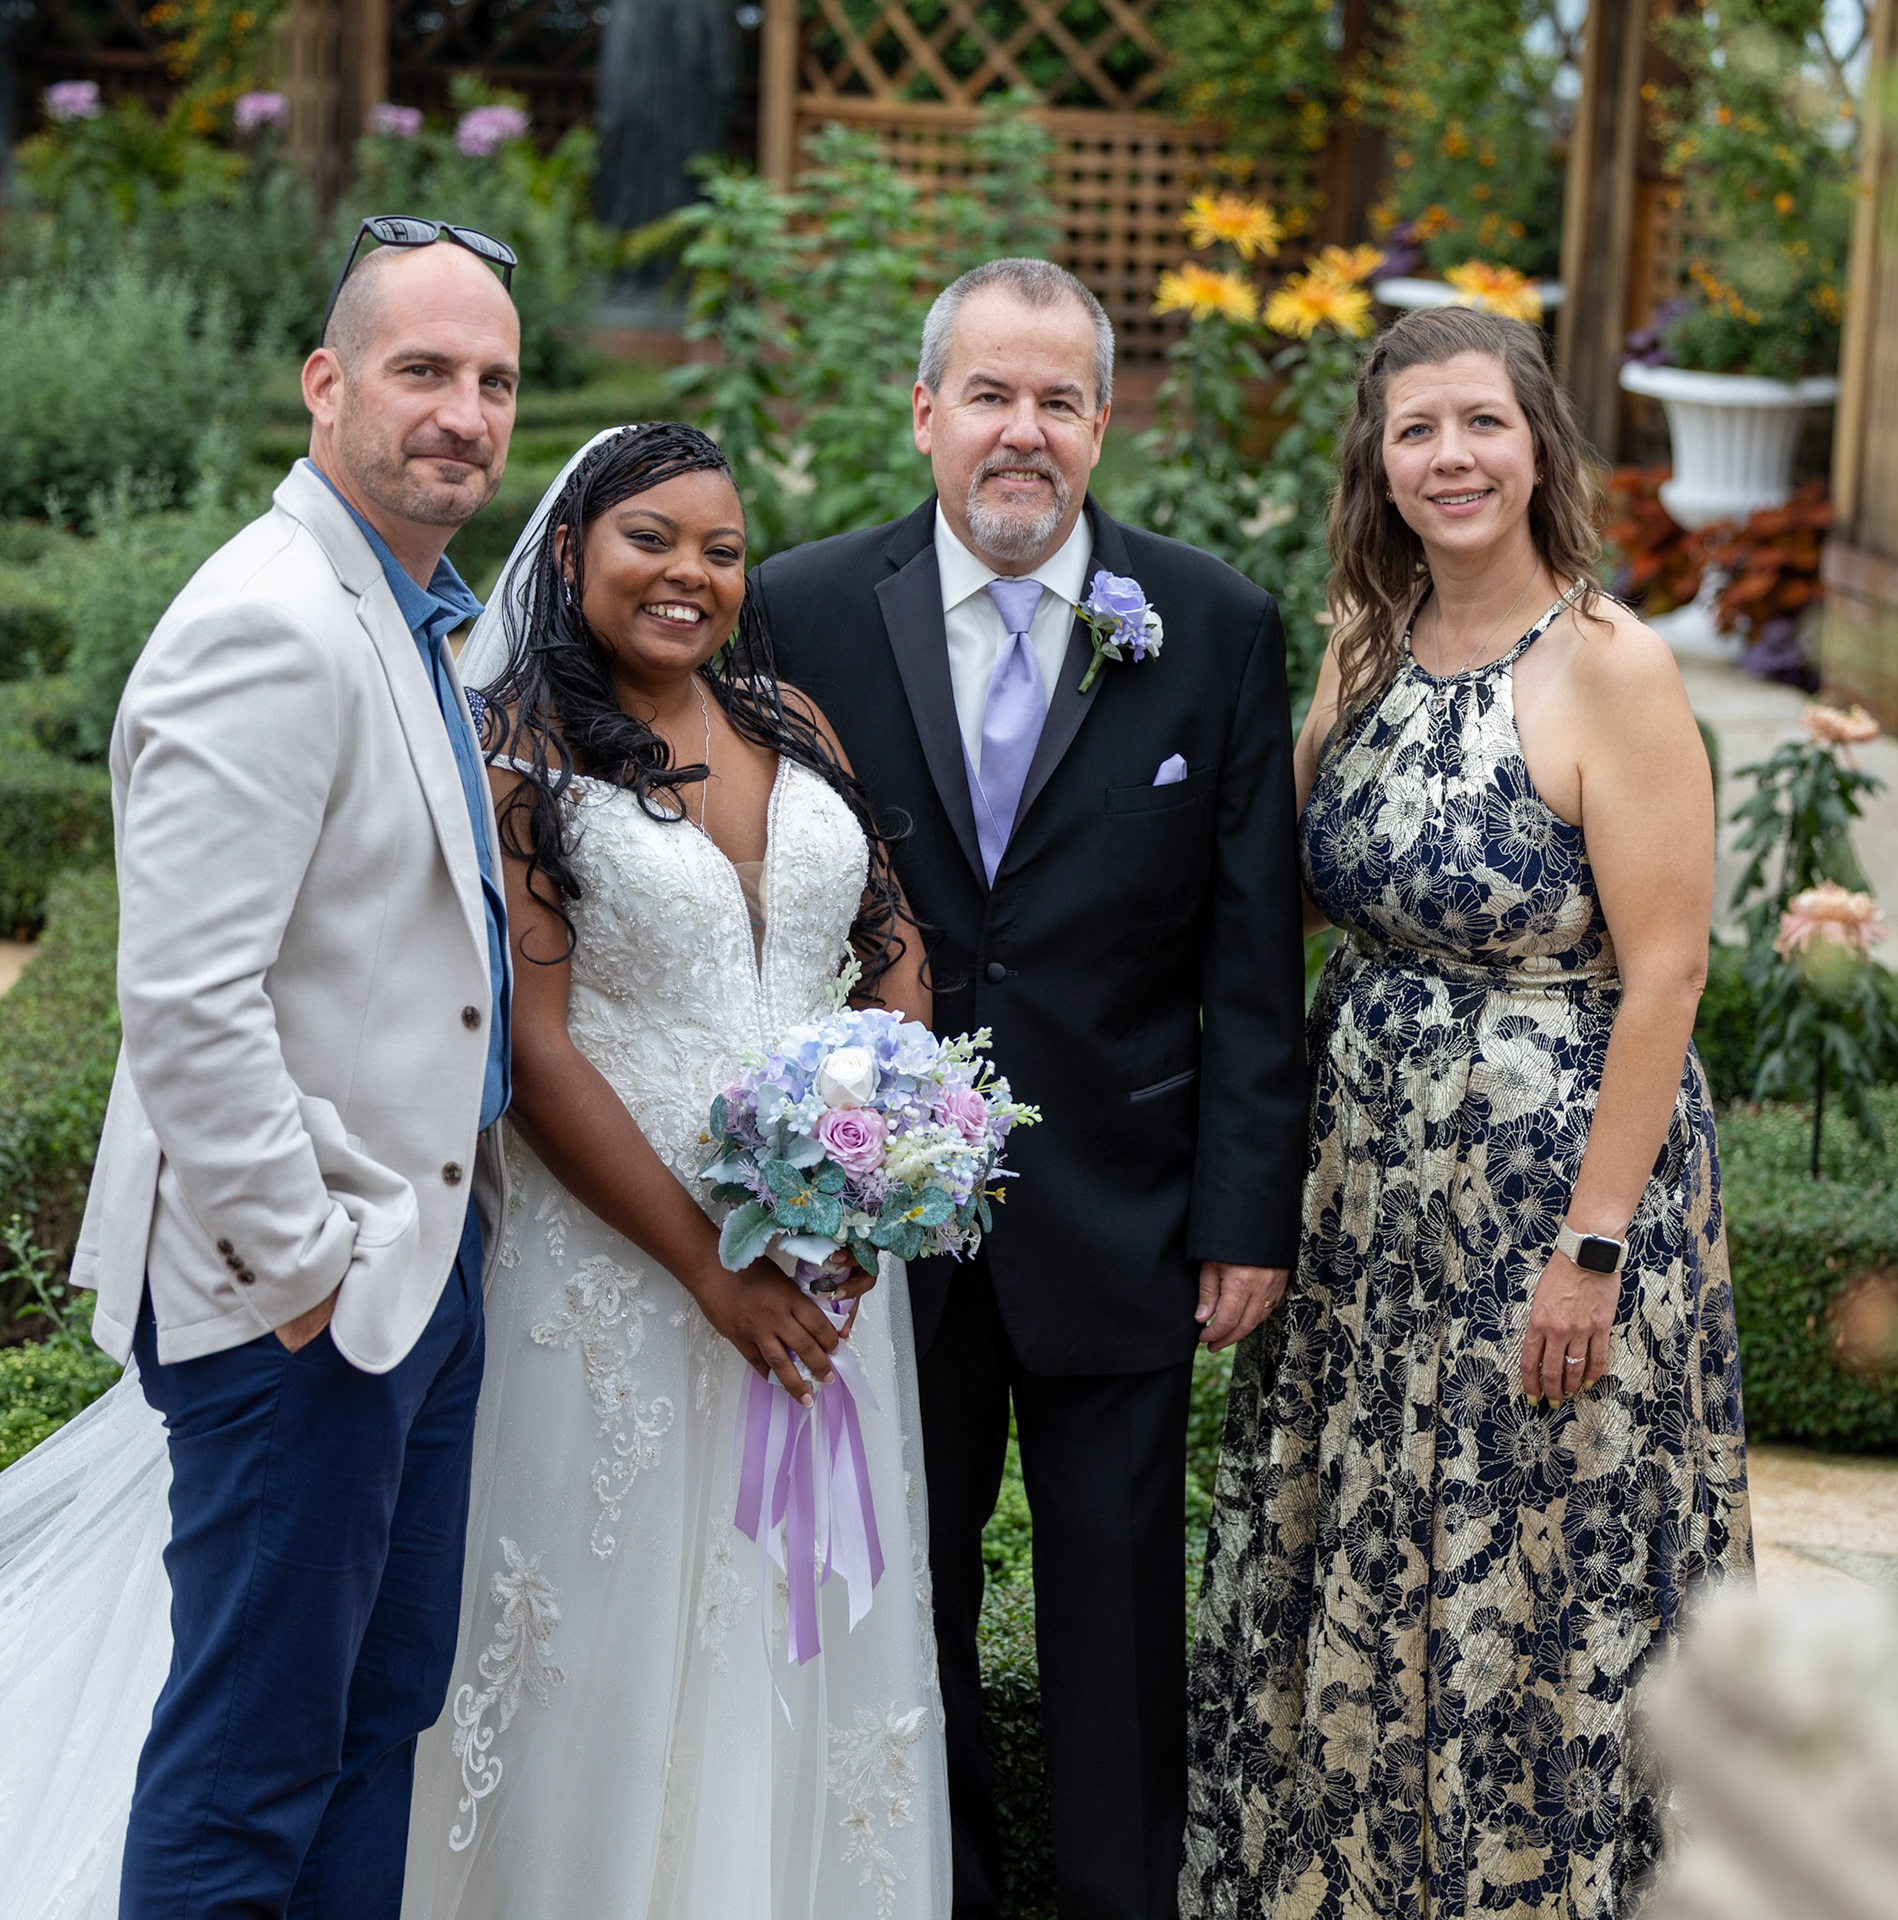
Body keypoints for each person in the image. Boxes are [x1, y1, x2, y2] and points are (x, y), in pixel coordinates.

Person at [758, 258, 1311, 1920]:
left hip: (1121, 1217)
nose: (1023, 431)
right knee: (893, 1604)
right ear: (925, 411)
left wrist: (1243, 1215)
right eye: (990, 394)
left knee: (1118, 1614)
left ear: (1103, 423)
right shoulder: (796, 608)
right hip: (873, 1226)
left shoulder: (1213, 625)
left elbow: (1250, 958)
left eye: (1057, 400)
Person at [1184, 306, 1752, 1920]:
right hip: (1363, 1201)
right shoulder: (1363, 645)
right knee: (1365, 1540)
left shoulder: (1612, 664)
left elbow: (1668, 971)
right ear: (1378, 460)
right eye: (1417, 428)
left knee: (1531, 1555)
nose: (1452, 457)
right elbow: (1291, 892)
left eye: (1482, 423)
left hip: (1543, 1197)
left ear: (1538, 447)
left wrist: (1594, 1246)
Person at [0, 226, 523, 1917]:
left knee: (373, 1722)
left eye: (493, 380)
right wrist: (306, 1273)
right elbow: (186, 999)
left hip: (418, 1268)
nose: (464, 412)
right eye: (421, 370)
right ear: (326, 382)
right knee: (249, 1769)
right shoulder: (270, 622)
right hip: (307, 1292)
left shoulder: (407, 613)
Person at [401, 422, 950, 1920]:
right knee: (610, 1624)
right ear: (572, 550)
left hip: (824, 1272)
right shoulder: (514, 747)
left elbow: (891, 944)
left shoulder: (789, 717)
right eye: (651, 539)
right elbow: (532, 1047)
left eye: (721, 549)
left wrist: (882, 1162)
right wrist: (712, 1269)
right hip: (616, 1278)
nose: (689, 573)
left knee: (794, 1630)